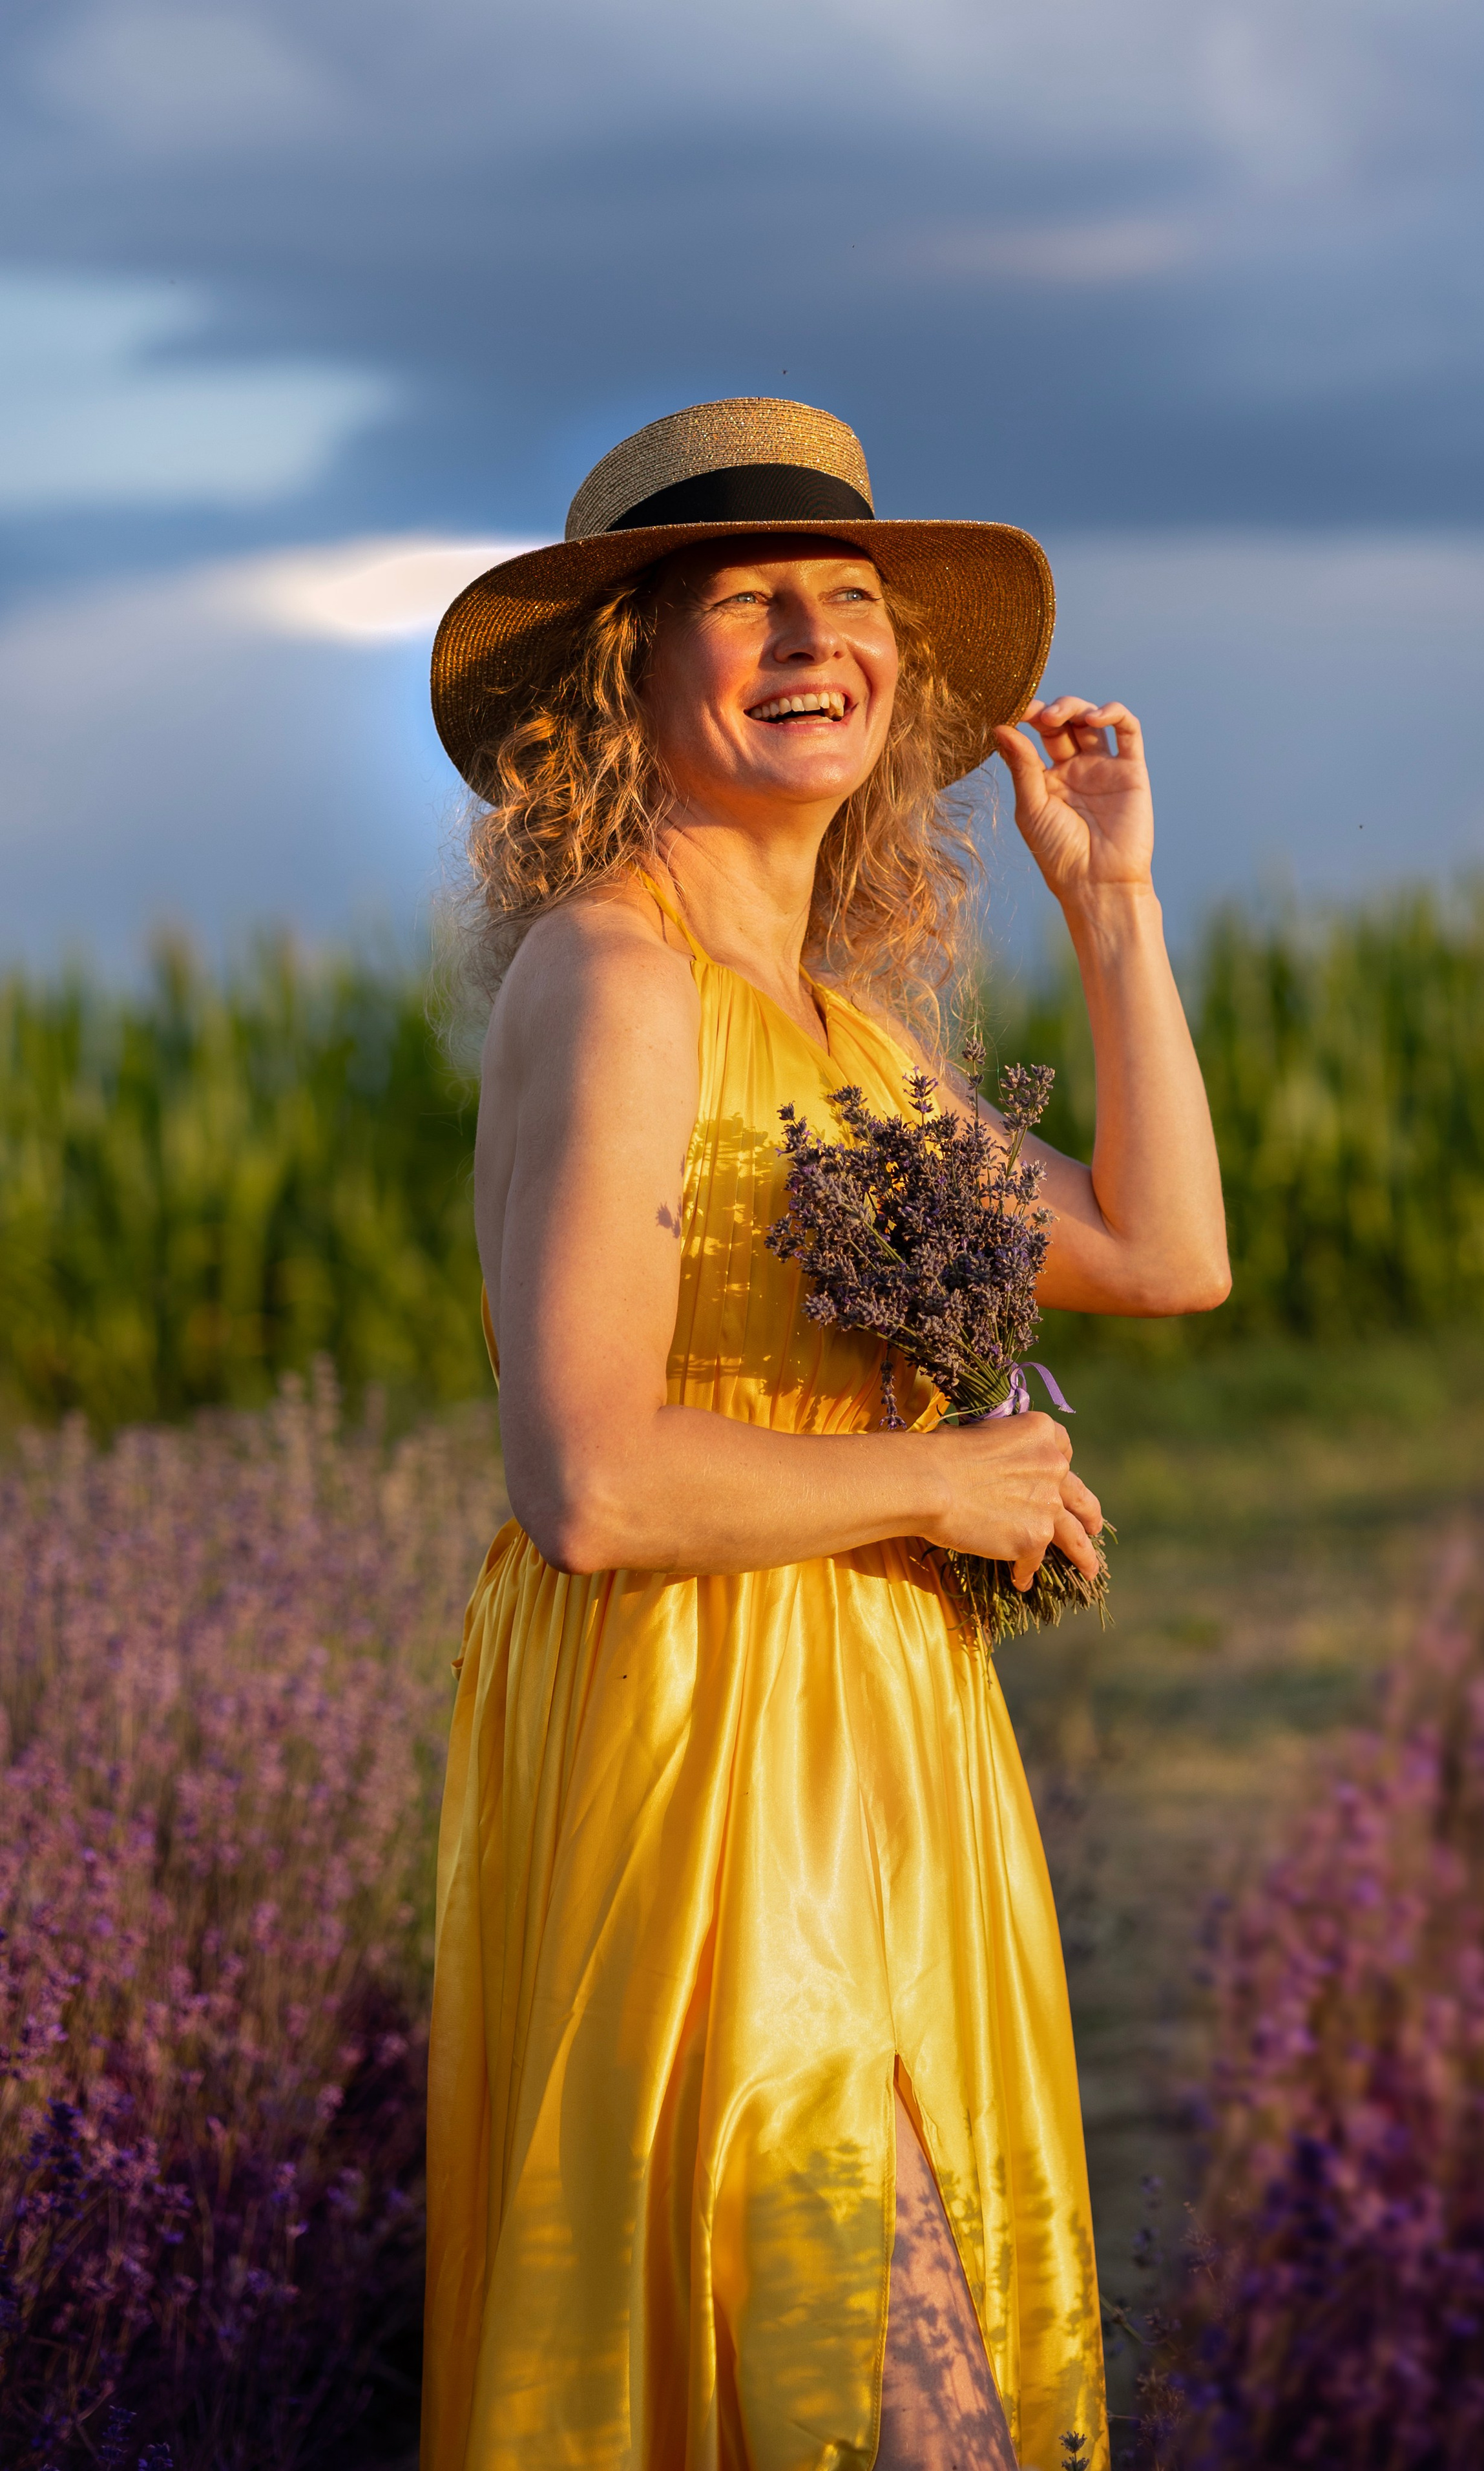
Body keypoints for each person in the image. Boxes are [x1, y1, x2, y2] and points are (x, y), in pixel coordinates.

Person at [421, 398, 1229, 2471]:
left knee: (904, 2350)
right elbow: (587, 1482)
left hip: (888, 1736)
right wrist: (944, 1478)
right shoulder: (618, 975)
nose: (817, 638)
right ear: (632, 666)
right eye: (749, 600)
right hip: (699, 1745)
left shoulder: (852, 1029)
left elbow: (1161, 1252)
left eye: (850, 598)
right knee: (862, 2369)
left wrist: (1114, 907)